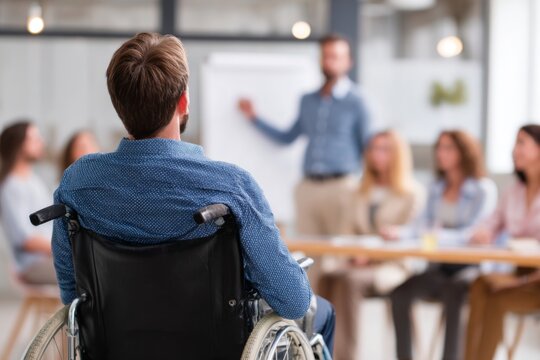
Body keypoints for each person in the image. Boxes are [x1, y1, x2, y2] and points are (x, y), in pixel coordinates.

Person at [51, 33, 335, 351]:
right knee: (321, 313)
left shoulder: (77, 183)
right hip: (213, 346)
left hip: (119, 346)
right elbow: (293, 302)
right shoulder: (232, 187)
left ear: (119, 104)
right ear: (183, 102)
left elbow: (73, 294)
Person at [237, 33, 371, 236]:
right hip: (308, 187)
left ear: (348, 62)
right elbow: (287, 137)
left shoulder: (358, 101)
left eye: (335, 56)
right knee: (310, 254)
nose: (329, 61)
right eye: (325, 56)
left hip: (342, 187)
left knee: (339, 256)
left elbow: (367, 146)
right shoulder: (307, 100)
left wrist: (365, 187)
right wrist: (254, 117)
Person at [388, 130, 497, 360]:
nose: (441, 153)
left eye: (448, 148)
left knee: (454, 292)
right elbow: (420, 228)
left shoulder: (483, 190)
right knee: (399, 294)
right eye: (439, 147)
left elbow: (474, 234)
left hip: (469, 270)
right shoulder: (436, 188)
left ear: (464, 152)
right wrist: (399, 233)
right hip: (438, 269)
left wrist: (437, 236)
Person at [317, 130, 425, 360]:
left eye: (384, 149)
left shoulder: (412, 194)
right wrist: (354, 255)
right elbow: (345, 231)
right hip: (355, 261)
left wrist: (370, 257)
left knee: (348, 282)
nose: (377, 154)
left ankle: (345, 356)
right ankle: (320, 351)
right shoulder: (358, 191)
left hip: (393, 266)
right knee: (326, 276)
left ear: (397, 155)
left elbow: (410, 239)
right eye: (373, 148)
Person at [465, 124, 540, 360]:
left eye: (521, 143)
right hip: (519, 272)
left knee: (496, 299)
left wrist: (521, 281)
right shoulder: (513, 192)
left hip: (537, 280)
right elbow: (490, 223)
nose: (514, 150)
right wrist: (482, 233)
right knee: (480, 284)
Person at [0, 121, 56, 284]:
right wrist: (65, 250)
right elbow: (26, 240)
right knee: (92, 272)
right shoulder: (12, 185)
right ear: (19, 145)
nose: (42, 142)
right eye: (35, 138)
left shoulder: (32, 180)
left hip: (48, 259)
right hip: (33, 265)